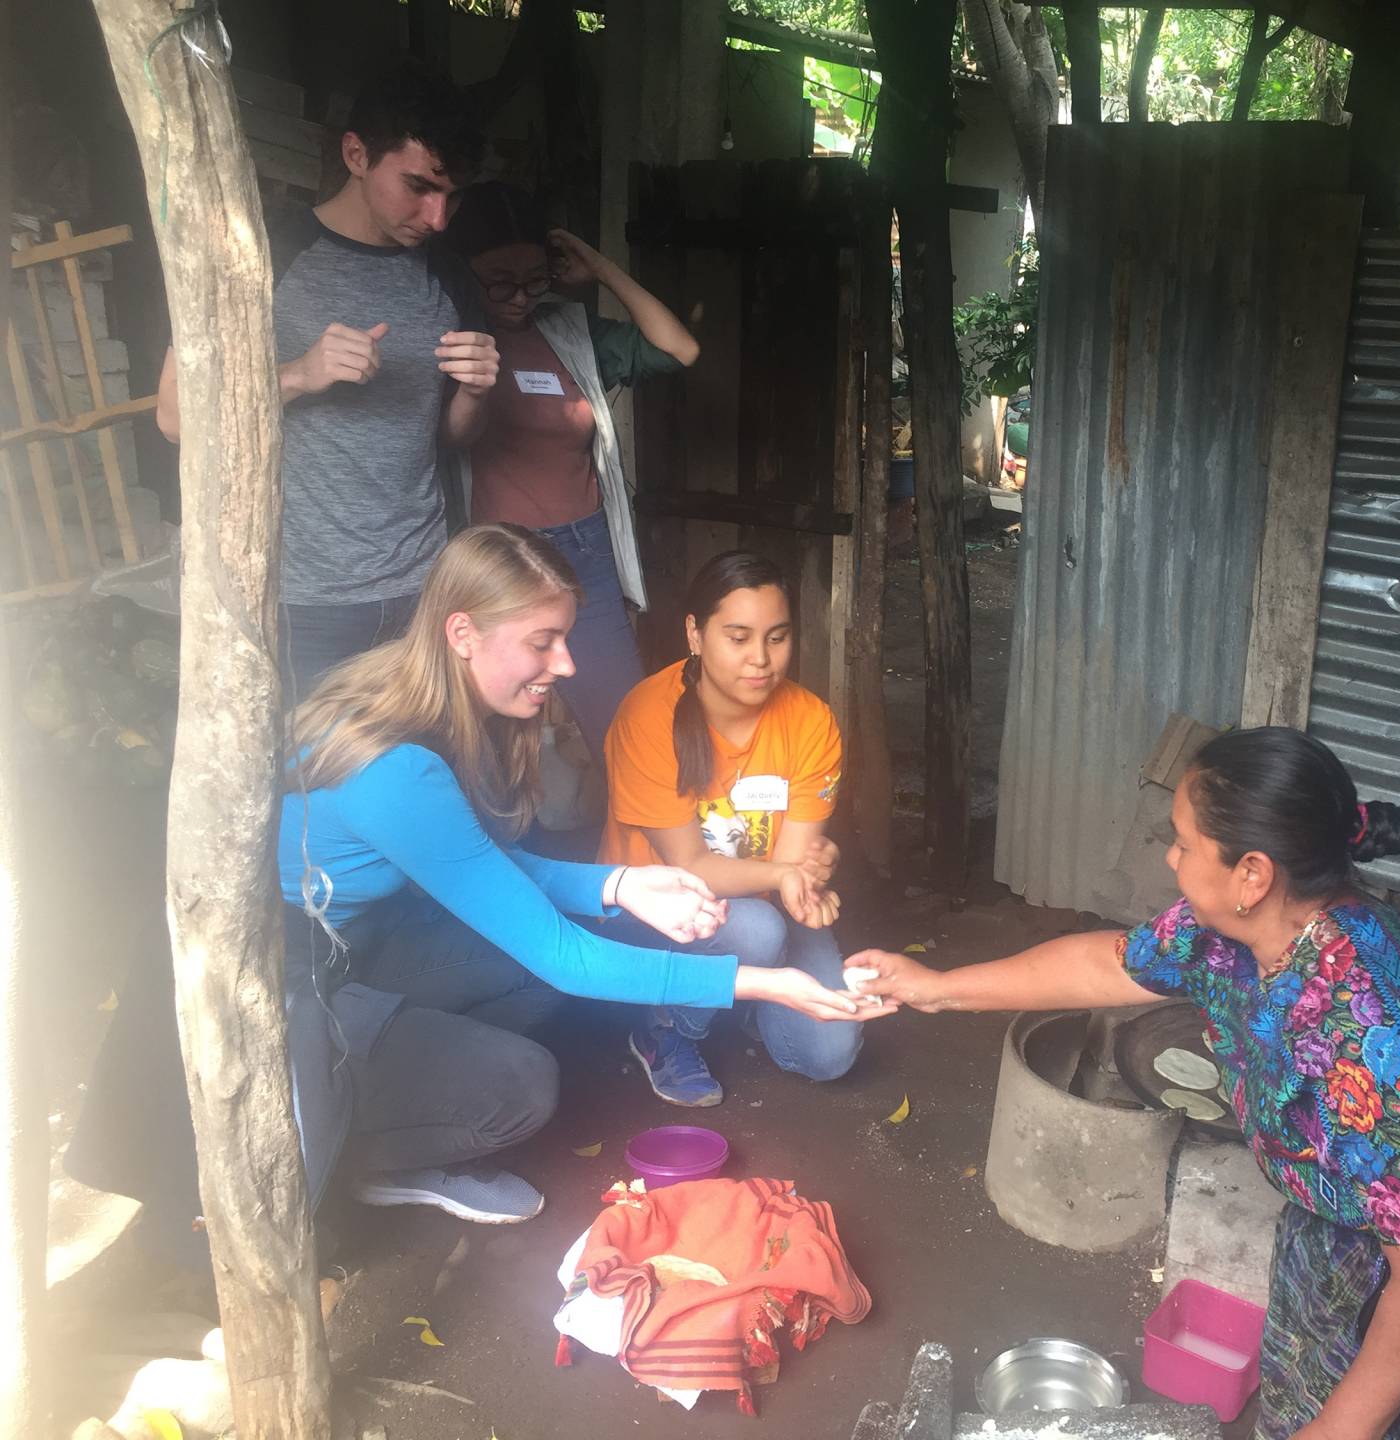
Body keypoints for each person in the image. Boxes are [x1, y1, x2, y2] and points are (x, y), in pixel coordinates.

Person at [850, 729, 1400, 1440]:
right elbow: (1108, 962)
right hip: (1360, 1240)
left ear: (1251, 872)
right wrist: (936, 986)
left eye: (1184, 843)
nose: (1171, 860)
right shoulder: (1237, 929)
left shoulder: (1360, 1034)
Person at [277, 524, 882, 1223]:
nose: (566, 664)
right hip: (297, 981)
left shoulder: (424, 705)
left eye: (564, 638)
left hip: (364, 943)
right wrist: (760, 982)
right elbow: (563, 956)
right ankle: (380, 1150)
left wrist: (621, 884)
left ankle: (405, 1056)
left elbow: (482, 866)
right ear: (463, 632)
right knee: (523, 1081)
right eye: (543, 642)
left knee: (555, 946)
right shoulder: (397, 766)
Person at [155, 63, 500, 699]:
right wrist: (297, 376)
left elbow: (451, 439)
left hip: (421, 591)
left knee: (408, 776)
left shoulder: (448, 279)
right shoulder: (261, 258)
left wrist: (476, 392)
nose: (438, 217)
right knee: (309, 784)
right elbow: (176, 418)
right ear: (356, 154)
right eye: (420, 187)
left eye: (452, 196)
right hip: (296, 597)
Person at [441, 182, 699, 759]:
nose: (519, 297)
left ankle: (630, 844)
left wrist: (602, 268)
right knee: (497, 738)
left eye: (535, 279)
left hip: (585, 551)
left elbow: (678, 348)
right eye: (499, 282)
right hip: (497, 562)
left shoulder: (569, 331)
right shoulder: (451, 339)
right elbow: (448, 439)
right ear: (464, 272)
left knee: (624, 724)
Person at [599, 551, 855, 1108]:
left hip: (755, 905)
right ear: (695, 633)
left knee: (829, 1053)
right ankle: (665, 1027)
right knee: (758, 930)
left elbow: (790, 861)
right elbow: (689, 868)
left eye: (777, 637)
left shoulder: (811, 721)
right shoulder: (647, 717)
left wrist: (805, 877)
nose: (760, 659)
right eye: (738, 637)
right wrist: (786, 876)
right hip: (652, 913)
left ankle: (739, 995)